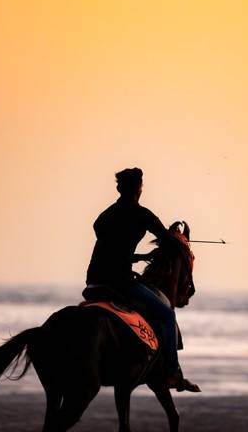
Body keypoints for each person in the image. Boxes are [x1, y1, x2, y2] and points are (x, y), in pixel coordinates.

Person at [85, 167, 199, 392]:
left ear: (120, 188)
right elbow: (168, 241)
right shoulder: (142, 214)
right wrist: (180, 240)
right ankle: (172, 374)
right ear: (139, 189)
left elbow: (112, 249)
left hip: (93, 282)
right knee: (166, 315)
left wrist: (140, 256)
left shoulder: (104, 216)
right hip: (120, 283)